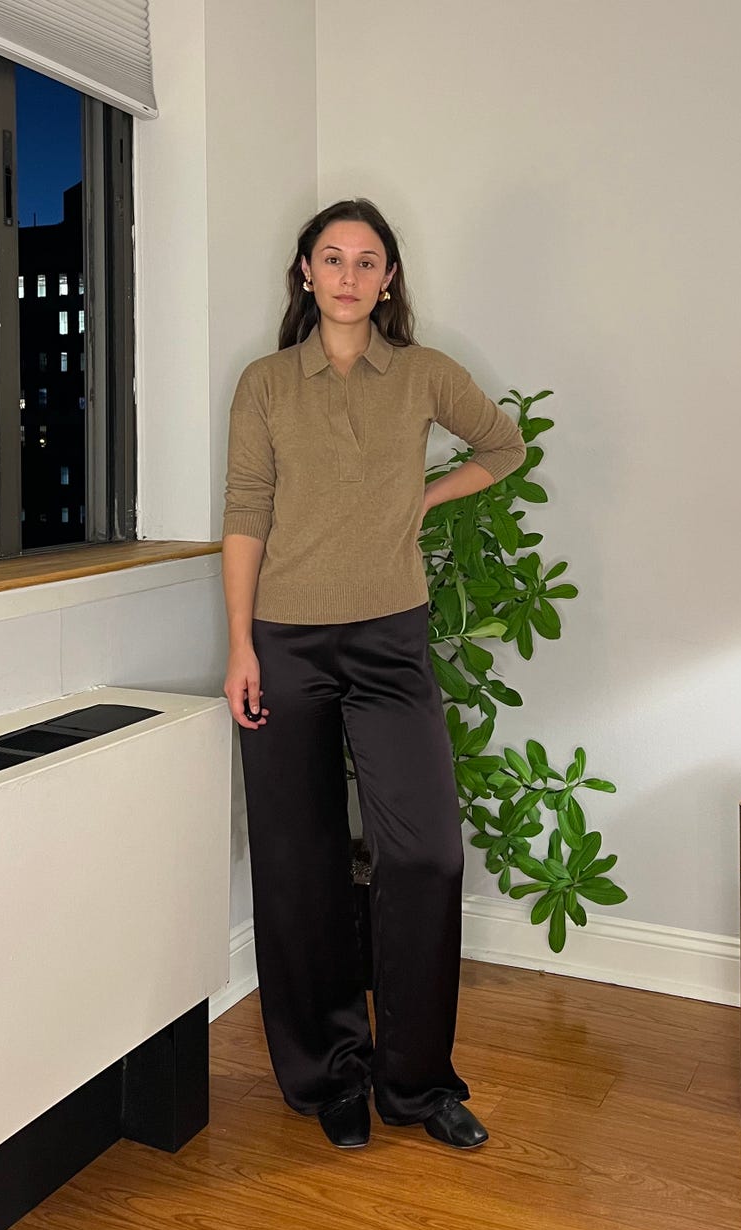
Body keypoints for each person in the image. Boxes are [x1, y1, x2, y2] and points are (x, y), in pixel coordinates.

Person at [221, 196, 526, 1151]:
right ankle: (330, 1076)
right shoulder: (266, 383)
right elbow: (245, 515)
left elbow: (504, 446)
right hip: (286, 642)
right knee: (299, 862)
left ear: (388, 278)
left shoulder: (424, 375)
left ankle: (416, 1082)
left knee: (427, 852)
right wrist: (240, 647)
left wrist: (422, 500)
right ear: (304, 274)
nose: (348, 275)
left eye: (367, 261)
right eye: (331, 258)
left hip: (392, 641)